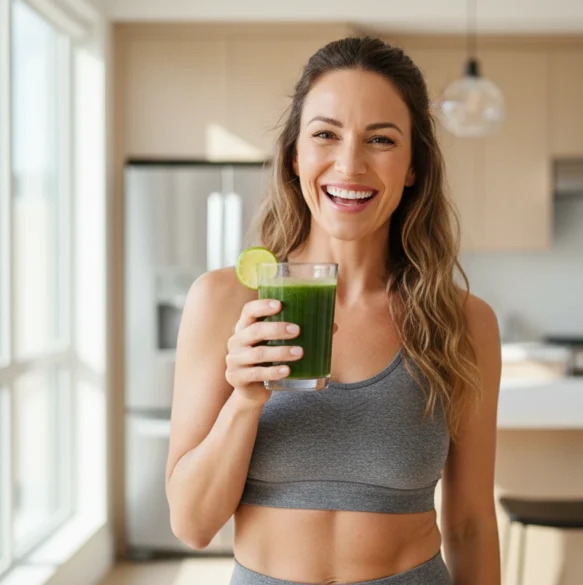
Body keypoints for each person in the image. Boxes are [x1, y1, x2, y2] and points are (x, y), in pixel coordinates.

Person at [165, 36, 502, 585]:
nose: (350, 164)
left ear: (414, 165)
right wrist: (246, 399)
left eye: (381, 140)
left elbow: (469, 525)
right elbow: (192, 524)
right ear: (295, 155)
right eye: (326, 134)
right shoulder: (224, 301)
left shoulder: (463, 322)